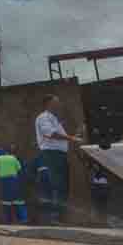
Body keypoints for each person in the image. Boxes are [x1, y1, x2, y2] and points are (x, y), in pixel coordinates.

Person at [34, 94, 81, 224]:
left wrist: (72, 137)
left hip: (58, 154)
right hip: (52, 154)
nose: (59, 104)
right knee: (58, 184)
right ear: (48, 103)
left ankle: (59, 217)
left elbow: (58, 135)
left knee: (63, 185)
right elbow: (50, 134)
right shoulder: (43, 117)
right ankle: (54, 217)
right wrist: (71, 138)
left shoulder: (54, 118)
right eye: (56, 102)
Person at [0, 148, 27, 224]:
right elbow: (19, 169)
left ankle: (8, 220)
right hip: (15, 180)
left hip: (4, 181)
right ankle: (23, 218)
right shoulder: (13, 158)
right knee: (18, 200)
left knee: (6, 201)